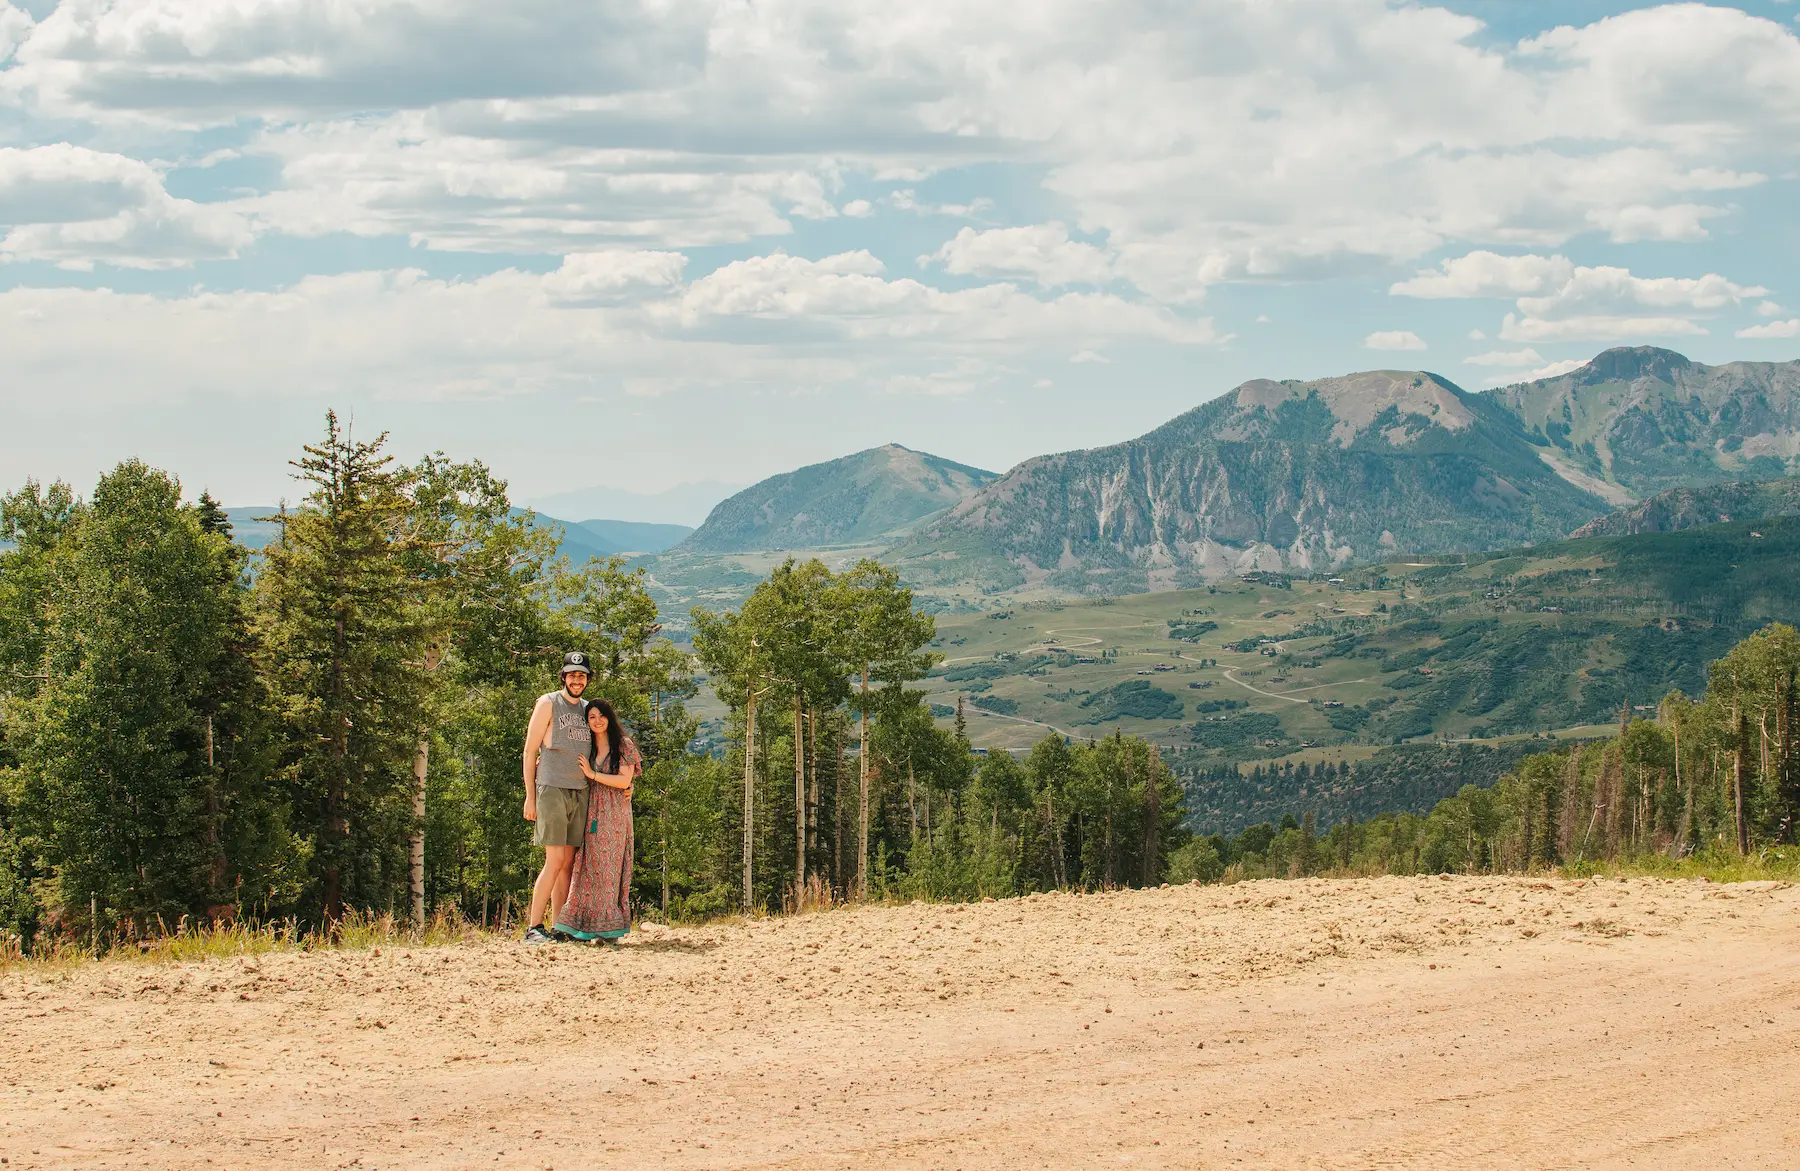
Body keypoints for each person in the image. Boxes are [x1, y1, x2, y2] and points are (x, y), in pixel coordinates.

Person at [521, 651, 595, 944]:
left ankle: (560, 926)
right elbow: (529, 750)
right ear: (563, 677)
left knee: (567, 862)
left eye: (582, 675)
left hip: (579, 791)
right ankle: (533, 927)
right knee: (553, 860)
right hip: (551, 788)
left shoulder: (589, 710)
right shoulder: (548, 703)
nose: (577, 680)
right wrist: (530, 796)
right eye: (572, 674)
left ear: (588, 679)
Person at [555, 698, 640, 942]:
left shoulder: (623, 745)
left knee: (608, 867)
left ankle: (609, 928)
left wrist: (594, 774)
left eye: (601, 715)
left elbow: (624, 781)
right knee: (586, 866)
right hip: (590, 810)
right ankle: (582, 927)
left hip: (614, 813)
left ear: (609, 717)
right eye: (591, 717)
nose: (597, 721)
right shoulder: (587, 746)